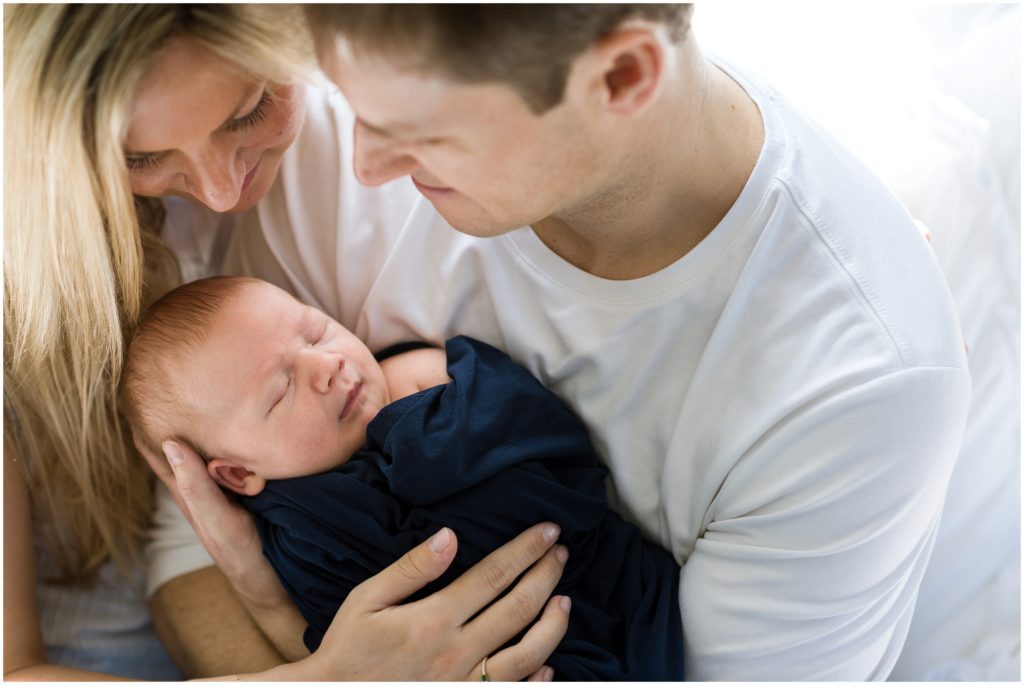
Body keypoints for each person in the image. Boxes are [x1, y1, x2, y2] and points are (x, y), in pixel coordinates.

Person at [146, 5, 974, 680]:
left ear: (621, 76)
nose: (367, 164)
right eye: (358, 112)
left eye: (423, 133)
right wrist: (296, 636)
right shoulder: (357, 94)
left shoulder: (854, 388)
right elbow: (193, 546)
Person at [3, 5, 568, 681]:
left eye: (246, 112)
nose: (219, 191)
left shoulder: (366, 170)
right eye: (143, 156)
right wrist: (320, 674)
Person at [122, 275, 685, 680]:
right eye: (282, 390)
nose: (327, 365)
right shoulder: (298, 533)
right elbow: (339, 638)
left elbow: (558, 456)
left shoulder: (420, 380)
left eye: (315, 333)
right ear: (239, 474)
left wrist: (421, 430)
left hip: (601, 592)